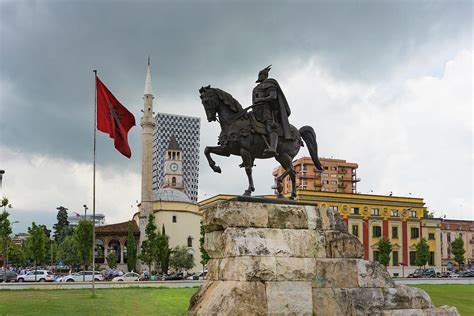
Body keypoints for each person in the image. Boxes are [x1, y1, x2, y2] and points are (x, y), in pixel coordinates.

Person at [252, 65, 292, 157]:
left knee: (270, 127)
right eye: (259, 74)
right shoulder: (256, 88)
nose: (260, 76)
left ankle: (273, 147)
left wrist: (260, 100)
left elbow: (273, 97)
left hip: (267, 110)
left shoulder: (270, 84)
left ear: (265, 75)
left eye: (261, 74)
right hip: (256, 110)